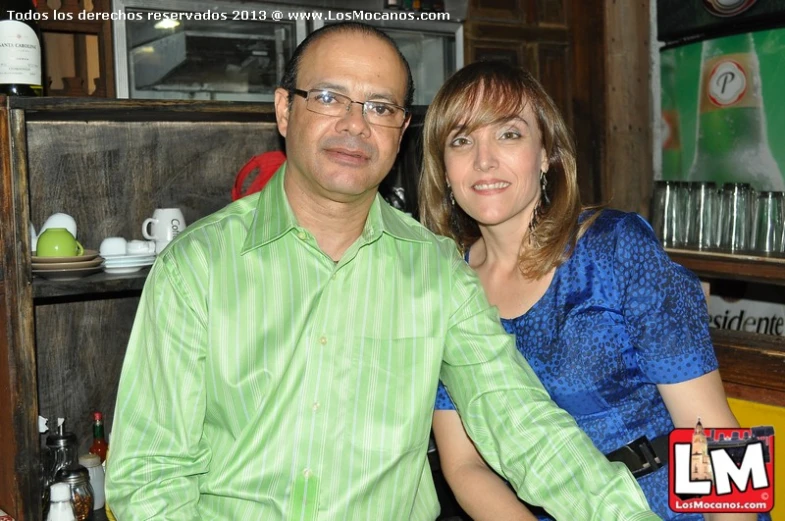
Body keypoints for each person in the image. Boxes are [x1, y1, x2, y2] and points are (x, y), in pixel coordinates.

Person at [105, 23, 661, 521]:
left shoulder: (440, 270)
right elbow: (150, 478)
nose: (355, 125)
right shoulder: (197, 265)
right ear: (283, 110)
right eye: (328, 98)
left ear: (401, 131)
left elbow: (521, 423)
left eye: (379, 107)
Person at [419, 60, 761, 521]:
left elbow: (714, 429)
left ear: (546, 155)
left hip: (666, 505)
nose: (484, 160)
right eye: (462, 140)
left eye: (509, 134)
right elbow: (465, 466)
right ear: (443, 168)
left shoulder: (615, 247)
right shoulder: (446, 286)